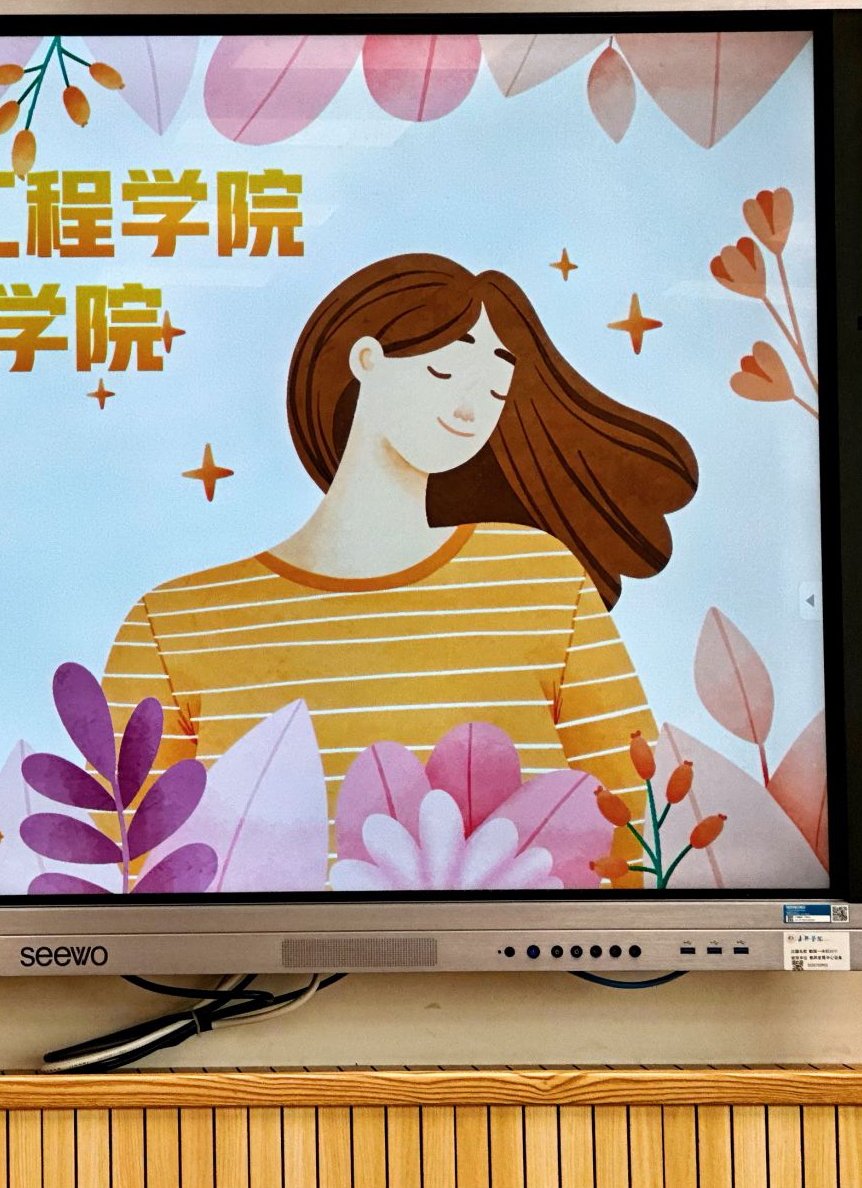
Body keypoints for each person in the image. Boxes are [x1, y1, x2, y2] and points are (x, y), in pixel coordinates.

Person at [101, 252, 698, 871]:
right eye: (445, 370)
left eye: (495, 389)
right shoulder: (171, 624)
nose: (470, 409)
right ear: (367, 358)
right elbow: (124, 874)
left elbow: (641, 835)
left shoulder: (540, 577)